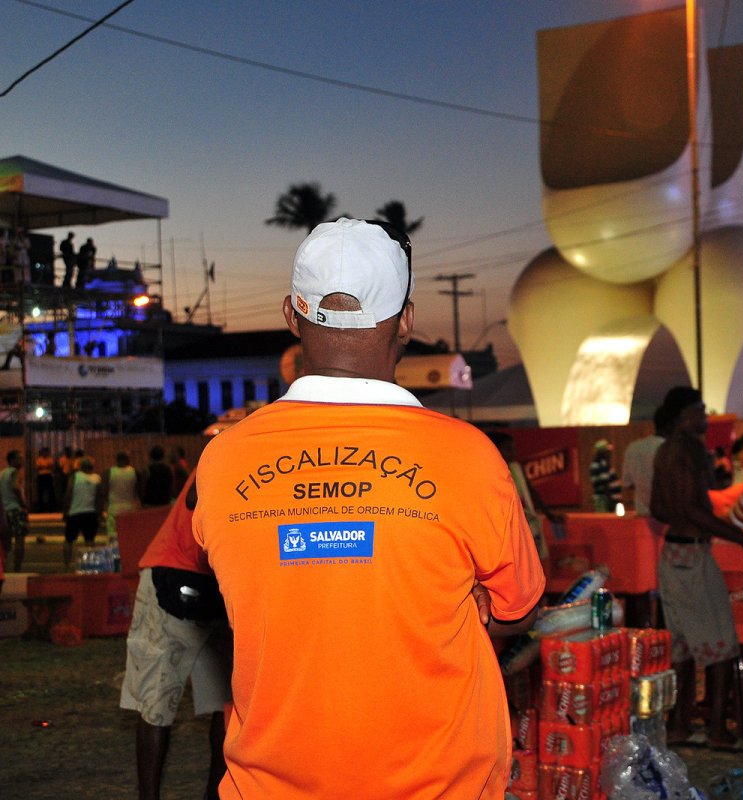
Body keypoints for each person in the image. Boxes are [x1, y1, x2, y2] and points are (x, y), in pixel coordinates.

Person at [191, 217, 545, 798]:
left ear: (292, 316)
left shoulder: (224, 460)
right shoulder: (467, 457)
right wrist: (464, 601)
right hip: (438, 786)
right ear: (405, 321)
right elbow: (519, 609)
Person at [650, 385, 743, 750]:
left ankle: (678, 725)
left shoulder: (664, 451)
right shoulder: (688, 450)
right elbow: (692, 509)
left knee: (682, 648)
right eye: (699, 411)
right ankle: (718, 730)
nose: (705, 417)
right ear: (683, 417)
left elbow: (659, 507)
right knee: (722, 647)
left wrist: (685, 516)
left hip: (672, 553)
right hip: (693, 555)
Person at [120, 473, 231, 800]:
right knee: (156, 699)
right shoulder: (229, 451)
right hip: (174, 573)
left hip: (222, 579)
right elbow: (196, 496)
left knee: (228, 704)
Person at [488, 430, 560, 560]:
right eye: (508, 449)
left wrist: (549, 514)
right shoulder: (490, 471)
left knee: (529, 557)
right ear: (495, 449)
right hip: (502, 525)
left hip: (524, 519)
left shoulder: (516, 468)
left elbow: (532, 491)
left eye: (513, 449)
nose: (513, 453)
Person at [621, 405, 670, 518]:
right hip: (672, 517)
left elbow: (628, 483)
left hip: (643, 515)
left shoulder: (633, 448)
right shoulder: (673, 449)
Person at [62, 456, 101, 567]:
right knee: (90, 540)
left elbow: (68, 494)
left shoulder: (75, 477)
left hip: (75, 512)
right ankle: (90, 564)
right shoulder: (97, 478)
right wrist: (99, 513)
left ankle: (67, 564)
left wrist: (65, 511)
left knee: (69, 540)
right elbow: (98, 498)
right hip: (90, 512)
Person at [103, 451, 141, 543]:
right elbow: (139, 491)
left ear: (117, 459)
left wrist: (104, 507)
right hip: (130, 508)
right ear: (128, 459)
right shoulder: (135, 472)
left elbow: (104, 491)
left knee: (113, 539)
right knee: (129, 538)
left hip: (114, 508)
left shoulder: (109, 472)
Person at [0, 450, 28, 572]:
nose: (22, 461)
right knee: (19, 538)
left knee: (5, 541)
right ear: (12, 460)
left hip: (4, 510)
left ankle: (3, 567)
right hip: (15, 509)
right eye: (19, 458)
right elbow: (15, 486)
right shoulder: (15, 472)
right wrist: (23, 503)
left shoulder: (2, 474)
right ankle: (17, 568)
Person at [589, 439, 620, 512]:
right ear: (602, 453)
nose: (609, 454)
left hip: (609, 499)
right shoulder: (598, 465)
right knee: (605, 518)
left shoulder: (604, 464)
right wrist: (610, 499)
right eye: (607, 451)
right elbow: (604, 483)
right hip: (604, 500)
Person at [34, 445, 56, 513]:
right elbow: (38, 468)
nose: (45, 453)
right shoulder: (39, 459)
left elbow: (51, 467)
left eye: (46, 452)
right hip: (41, 476)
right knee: (40, 492)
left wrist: (43, 466)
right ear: (42, 452)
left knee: (50, 492)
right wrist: (46, 466)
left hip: (48, 476)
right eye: (44, 452)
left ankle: (51, 508)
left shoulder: (50, 459)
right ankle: (41, 508)